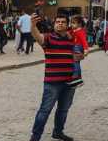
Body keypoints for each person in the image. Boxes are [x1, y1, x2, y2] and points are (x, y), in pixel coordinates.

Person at [29, 13, 83, 141]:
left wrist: (80, 56)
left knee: (63, 110)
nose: (60, 24)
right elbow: (37, 36)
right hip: (52, 83)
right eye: (57, 22)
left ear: (67, 24)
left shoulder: (72, 38)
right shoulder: (48, 38)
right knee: (45, 110)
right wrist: (33, 25)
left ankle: (58, 132)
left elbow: (79, 54)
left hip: (70, 82)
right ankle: (35, 137)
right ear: (54, 24)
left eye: (63, 22)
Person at [67, 16, 88, 88]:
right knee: (76, 63)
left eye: (73, 23)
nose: (71, 25)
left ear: (79, 24)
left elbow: (84, 41)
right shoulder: (75, 30)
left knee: (75, 63)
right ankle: (78, 79)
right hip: (75, 47)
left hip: (77, 47)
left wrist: (86, 49)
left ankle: (76, 78)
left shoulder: (80, 31)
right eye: (71, 23)